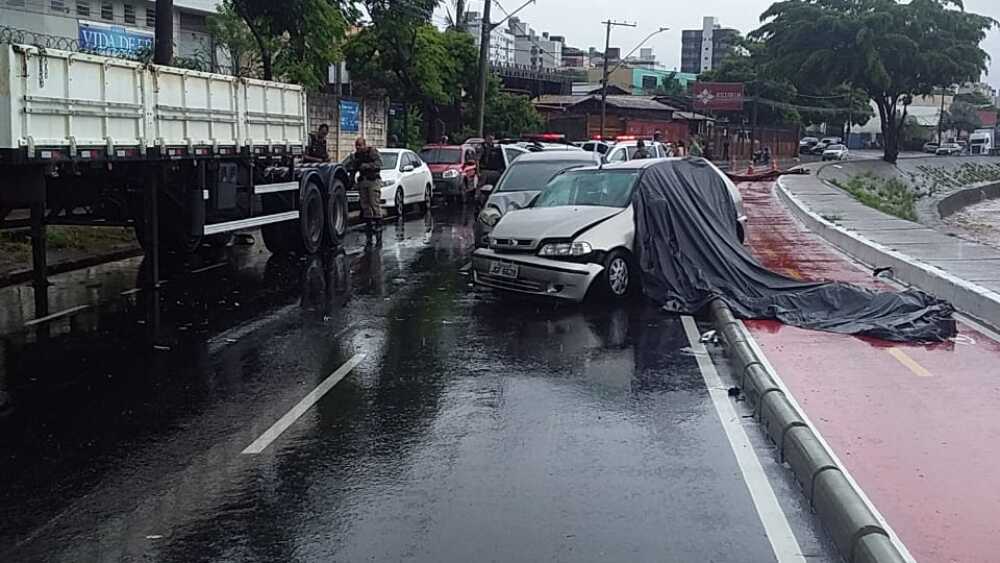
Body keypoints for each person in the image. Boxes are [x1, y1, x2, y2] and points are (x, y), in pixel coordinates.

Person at [343, 137, 384, 243]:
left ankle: (378, 225)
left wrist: (367, 166)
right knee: (365, 205)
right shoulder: (356, 156)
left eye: (360, 145)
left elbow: (379, 164)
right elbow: (351, 168)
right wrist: (350, 180)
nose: (358, 148)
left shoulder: (372, 152)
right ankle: (369, 226)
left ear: (364, 145)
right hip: (363, 181)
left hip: (373, 180)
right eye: (356, 146)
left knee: (374, 203)